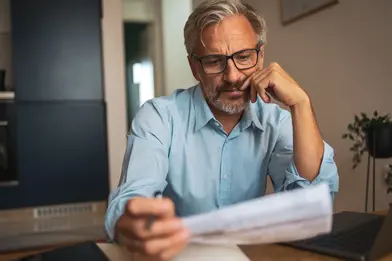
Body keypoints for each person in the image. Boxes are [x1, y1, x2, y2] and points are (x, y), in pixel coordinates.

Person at [105, 0, 339, 260]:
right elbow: (132, 197)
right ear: (195, 68)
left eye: (244, 57)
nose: (233, 76)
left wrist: (301, 104)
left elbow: (314, 205)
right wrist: (135, 225)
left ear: (260, 57)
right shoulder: (159, 117)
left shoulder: (275, 121)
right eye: (215, 61)